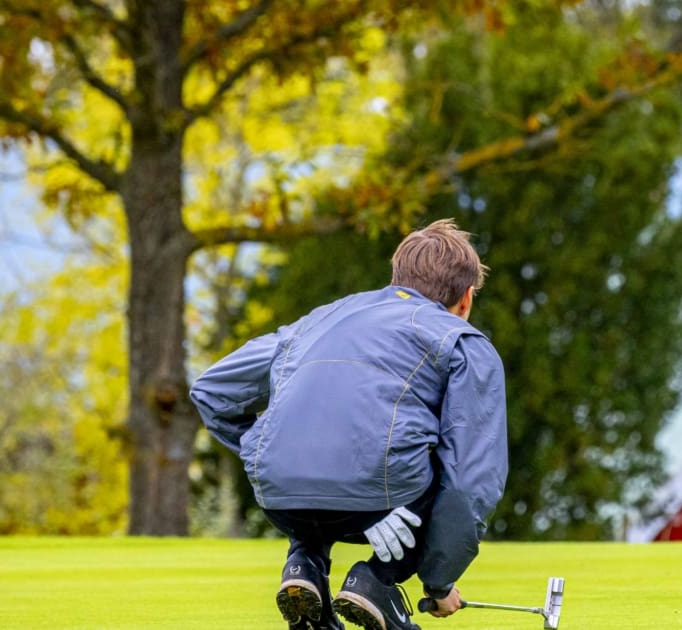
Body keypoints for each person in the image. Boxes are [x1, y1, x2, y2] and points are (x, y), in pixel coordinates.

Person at [191, 219, 509, 630]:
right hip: (379, 499)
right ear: (465, 300)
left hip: (281, 498)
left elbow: (210, 390)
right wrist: (438, 581)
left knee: (321, 452)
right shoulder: (463, 340)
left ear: (397, 279)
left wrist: (264, 453)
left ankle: (304, 565)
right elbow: (471, 479)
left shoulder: (318, 319)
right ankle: (377, 581)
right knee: (446, 460)